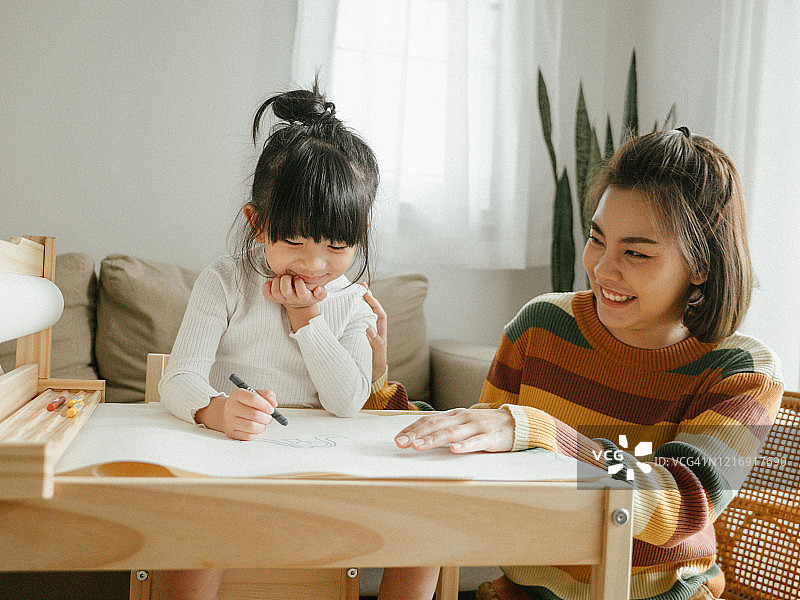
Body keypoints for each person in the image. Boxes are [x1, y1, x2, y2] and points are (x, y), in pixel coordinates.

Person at [394, 128, 784, 600]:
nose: (602, 269)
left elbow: (682, 502)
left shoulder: (743, 372)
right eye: (597, 239)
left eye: (635, 253)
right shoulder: (541, 325)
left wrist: (544, 434)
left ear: (700, 264)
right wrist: (376, 394)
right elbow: (481, 459)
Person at [156, 82, 437, 600]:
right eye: (294, 242)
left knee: (424, 531)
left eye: (337, 245)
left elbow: (348, 401)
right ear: (257, 224)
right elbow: (179, 379)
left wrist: (308, 318)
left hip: (322, 465)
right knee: (196, 539)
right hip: (235, 459)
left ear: (361, 233)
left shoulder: (352, 300)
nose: (314, 265)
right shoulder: (225, 280)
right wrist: (214, 410)